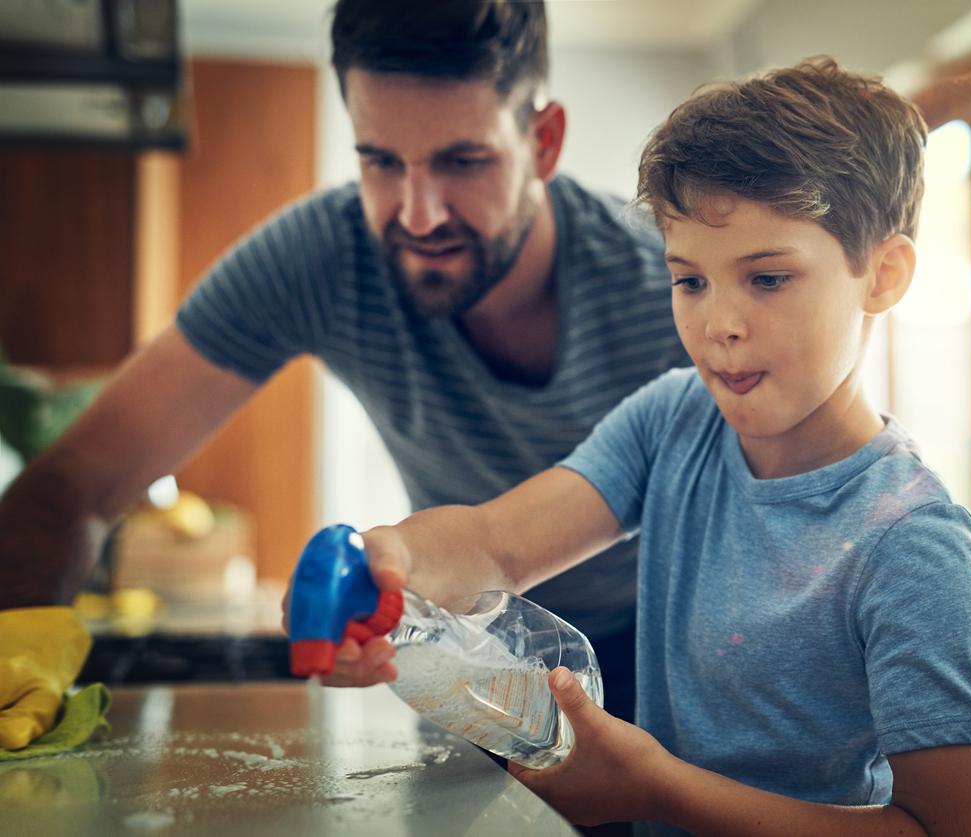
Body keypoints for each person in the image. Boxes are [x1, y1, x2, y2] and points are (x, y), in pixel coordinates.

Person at [329, 57, 971, 835]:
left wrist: (657, 788)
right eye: (689, 280)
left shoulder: (911, 542)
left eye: (767, 279)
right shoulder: (674, 419)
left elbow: (963, 828)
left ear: (883, 275)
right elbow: (496, 543)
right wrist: (389, 562)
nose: (718, 323)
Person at [0, 0, 686, 764]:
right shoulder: (318, 256)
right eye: (380, 161)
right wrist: (13, 645)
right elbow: (74, 482)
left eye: (464, 161)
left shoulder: (676, 288)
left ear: (543, 140)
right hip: (469, 659)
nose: (418, 214)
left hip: (672, 660)